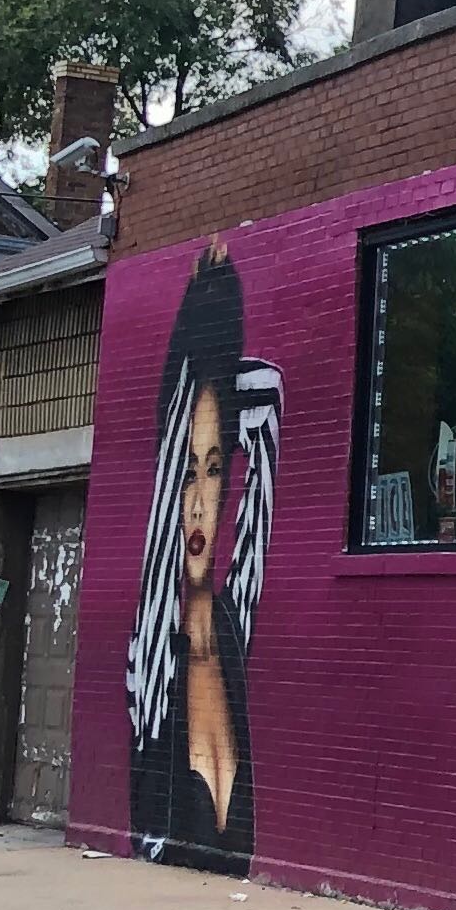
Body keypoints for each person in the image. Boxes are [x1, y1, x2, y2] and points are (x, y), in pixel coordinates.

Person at [123, 243, 280, 875]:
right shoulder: (150, 655)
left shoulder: (237, 614)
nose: (198, 503)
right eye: (185, 474)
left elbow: (269, 399)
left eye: (214, 472)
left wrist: (215, 318)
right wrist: (195, 342)